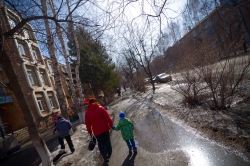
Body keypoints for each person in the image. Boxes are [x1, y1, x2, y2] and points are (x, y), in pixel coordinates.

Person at [85, 98, 113, 164]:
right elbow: (107, 117)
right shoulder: (101, 108)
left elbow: (88, 124)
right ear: (95, 102)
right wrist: (111, 124)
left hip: (97, 131)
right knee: (107, 142)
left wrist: (90, 132)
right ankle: (109, 154)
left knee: (101, 143)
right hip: (105, 128)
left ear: (89, 104)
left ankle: (105, 155)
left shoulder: (87, 113)